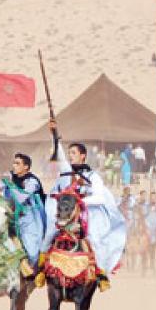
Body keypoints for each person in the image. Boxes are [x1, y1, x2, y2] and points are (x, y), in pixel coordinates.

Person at [41, 121, 126, 286]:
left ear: (83, 156)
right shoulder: (67, 171)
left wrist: (80, 201)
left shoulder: (93, 176)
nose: (70, 155)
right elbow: (60, 155)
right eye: (69, 152)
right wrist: (54, 135)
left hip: (85, 214)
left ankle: (100, 273)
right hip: (65, 212)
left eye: (74, 152)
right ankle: (41, 266)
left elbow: (100, 197)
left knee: (94, 238)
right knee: (50, 230)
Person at [0, 153, 47, 276]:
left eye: (17, 163)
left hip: (29, 219)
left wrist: (10, 183)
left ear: (26, 167)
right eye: (14, 163)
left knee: (32, 252)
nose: (14, 166)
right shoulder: (10, 177)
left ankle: (34, 272)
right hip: (10, 217)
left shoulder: (32, 181)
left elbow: (21, 198)